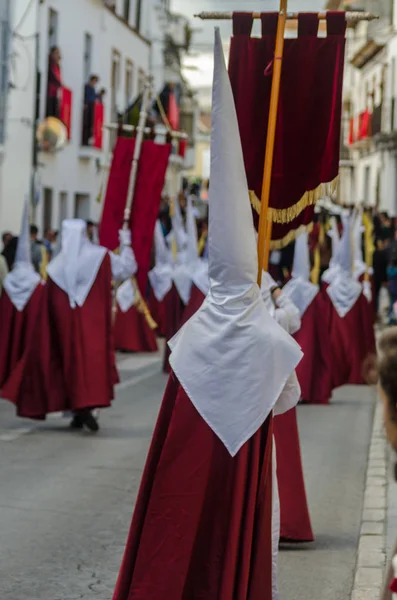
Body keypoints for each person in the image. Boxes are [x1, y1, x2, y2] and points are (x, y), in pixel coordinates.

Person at [112, 30, 302, 600]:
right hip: (242, 428)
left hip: (193, 443)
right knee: (226, 533)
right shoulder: (266, 337)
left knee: (175, 516)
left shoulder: (191, 337)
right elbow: (285, 394)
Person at [46, 219, 136, 431]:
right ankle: (83, 409)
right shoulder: (100, 257)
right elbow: (128, 268)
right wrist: (126, 243)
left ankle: (79, 409)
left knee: (69, 364)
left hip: (67, 329)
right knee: (90, 365)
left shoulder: (55, 268)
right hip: (93, 328)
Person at [83, 75, 99, 145]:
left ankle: (88, 139)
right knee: (86, 123)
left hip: (92, 106)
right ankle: (85, 139)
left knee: (91, 123)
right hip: (88, 106)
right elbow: (86, 96)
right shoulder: (87, 87)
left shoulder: (93, 89)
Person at [46, 46, 62, 118]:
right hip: (50, 94)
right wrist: (59, 83)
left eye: (58, 53)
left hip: (56, 94)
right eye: (56, 53)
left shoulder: (57, 66)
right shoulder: (50, 65)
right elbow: (53, 78)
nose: (58, 55)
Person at [387, 246, 397, 324]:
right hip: (395, 288)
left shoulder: (390, 268)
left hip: (391, 288)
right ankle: (393, 318)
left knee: (391, 303)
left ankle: (391, 317)